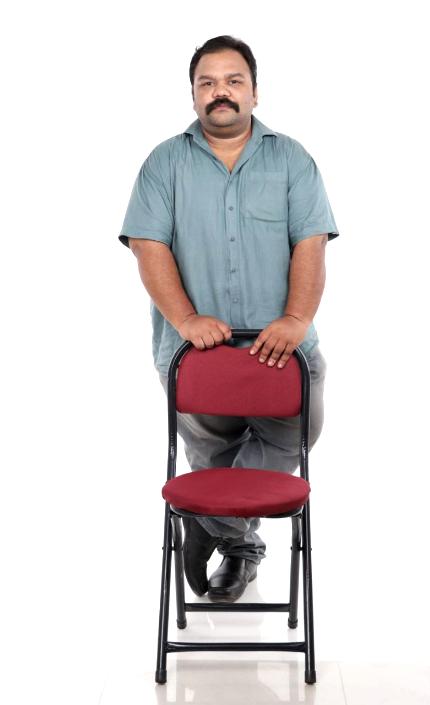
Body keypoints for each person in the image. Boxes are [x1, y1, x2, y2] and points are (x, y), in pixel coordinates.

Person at [118, 35, 339, 603]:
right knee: (212, 456)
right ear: (193, 94)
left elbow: (311, 243)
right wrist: (187, 318)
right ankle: (240, 551)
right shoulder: (163, 163)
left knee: (295, 433)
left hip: (284, 350)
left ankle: (207, 523)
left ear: (254, 92)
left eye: (234, 81)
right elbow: (147, 245)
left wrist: (296, 317)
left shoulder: (292, 160)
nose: (221, 92)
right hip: (195, 354)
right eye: (208, 82)